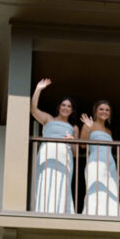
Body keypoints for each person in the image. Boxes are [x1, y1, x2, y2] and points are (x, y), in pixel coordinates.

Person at [30, 78, 78, 213]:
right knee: (45, 180)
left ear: (72, 110)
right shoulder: (48, 119)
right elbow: (33, 110)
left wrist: (72, 140)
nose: (66, 108)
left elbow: (75, 152)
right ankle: (43, 210)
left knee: (62, 183)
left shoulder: (73, 127)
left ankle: (61, 211)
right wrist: (38, 89)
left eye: (69, 106)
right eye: (63, 105)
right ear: (59, 107)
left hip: (64, 156)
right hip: (48, 153)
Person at [80, 100, 120, 216]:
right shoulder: (90, 124)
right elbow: (83, 145)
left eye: (107, 110)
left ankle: (111, 214)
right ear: (96, 112)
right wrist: (88, 128)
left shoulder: (109, 131)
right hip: (95, 161)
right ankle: (93, 214)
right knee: (96, 187)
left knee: (111, 188)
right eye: (101, 109)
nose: (104, 111)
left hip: (110, 163)